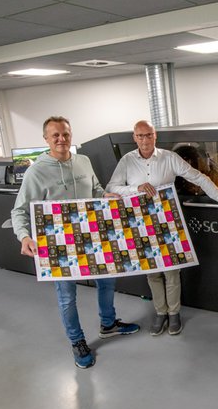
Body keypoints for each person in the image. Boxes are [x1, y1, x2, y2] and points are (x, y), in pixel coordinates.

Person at [11, 116, 140, 369]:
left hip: (92, 235)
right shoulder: (36, 171)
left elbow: (95, 189)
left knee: (107, 280)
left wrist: (106, 195)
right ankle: (77, 341)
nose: (62, 139)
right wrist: (24, 236)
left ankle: (108, 324)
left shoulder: (83, 161)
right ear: (46, 139)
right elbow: (19, 210)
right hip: (58, 244)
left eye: (66, 134)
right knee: (67, 296)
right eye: (55, 135)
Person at [106, 120, 218, 336]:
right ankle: (161, 313)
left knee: (171, 271)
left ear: (155, 136)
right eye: (140, 136)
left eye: (148, 135)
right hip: (140, 223)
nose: (145, 140)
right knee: (152, 272)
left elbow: (198, 177)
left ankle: (174, 313)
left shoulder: (169, 158)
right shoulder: (127, 160)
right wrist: (136, 188)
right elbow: (111, 187)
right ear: (134, 138)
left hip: (167, 222)